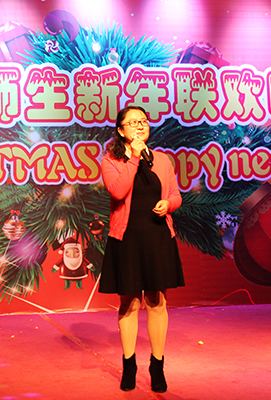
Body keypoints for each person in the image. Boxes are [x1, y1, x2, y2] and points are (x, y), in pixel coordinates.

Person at [99, 106, 184, 393]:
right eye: (132, 122)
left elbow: (175, 195)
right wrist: (134, 156)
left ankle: (157, 365)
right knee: (130, 303)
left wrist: (168, 204)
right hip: (127, 239)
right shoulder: (111, 160)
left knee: (157, 302)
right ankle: (129, 364)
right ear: (120, 130)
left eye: (143, 121)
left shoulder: (161, 160)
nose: (139, 126)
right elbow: (118, 191)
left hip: (158, 236)